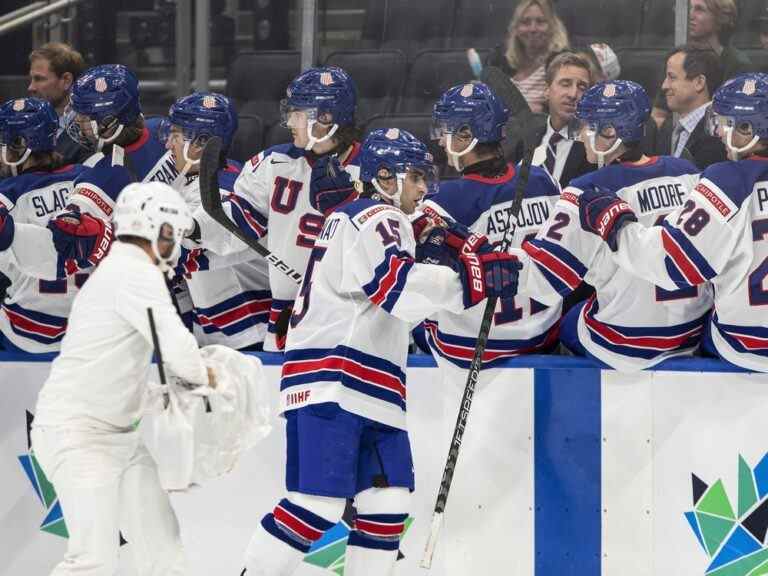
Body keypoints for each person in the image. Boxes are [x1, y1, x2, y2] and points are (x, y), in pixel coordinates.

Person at [240, 128, 521, 576]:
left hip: (369, 383)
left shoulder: (368, 217)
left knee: (388, 503)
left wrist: (465, 255)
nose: (424, 188)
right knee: (316, 506)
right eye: (416, 178)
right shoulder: (377, 217)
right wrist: (474, 279)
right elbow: (400, 289)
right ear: (385, 178)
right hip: (334, 377)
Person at [31, 181, 216, 576]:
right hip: (78, 436)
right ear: (155, 228)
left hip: (119, 436)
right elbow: (177, 350)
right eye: (174, 233)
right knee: (93, 560)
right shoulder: (132, 273)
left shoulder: (121, 274)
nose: (176, 246)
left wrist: (161, 396)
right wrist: (207, 376)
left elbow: (110, 373)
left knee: (164, 551)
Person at [514, 80, 713, 371]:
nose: (581, 136)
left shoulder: (585, 190)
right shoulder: (688, 172)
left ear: (610, 132)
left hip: (625, 343)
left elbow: (545, 281)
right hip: (690, 333)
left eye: (587, 126)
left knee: (565, 320)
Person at [577, 73, 768, 372]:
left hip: (749, 345)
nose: (718, 133)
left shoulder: (729, 180)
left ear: (749, 128)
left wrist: (618, 227)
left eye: (726, 123)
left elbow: (674, 264)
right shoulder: (693, 172)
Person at [190, 66, 362, 352]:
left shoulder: (372, 172)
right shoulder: (273, 164)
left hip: (353, 319)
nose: (289, 122)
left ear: (326, 118)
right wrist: (193, 228)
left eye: (297, 113)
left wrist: (352, 207)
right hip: (285, 319)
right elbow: (238, 222)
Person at [161, 91, 271, 349]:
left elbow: (189, 252)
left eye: (175, 136)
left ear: (200, 143)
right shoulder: (192, 180)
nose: (168, 144)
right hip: (216, 333)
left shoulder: (226, 191)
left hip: (251, 331)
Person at [0, 97, 100, 353]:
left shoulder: (7, 195)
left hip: (23, 335)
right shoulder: (91, 180)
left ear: (19, 145)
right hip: (89, 334)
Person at [651, 0, 752, 130]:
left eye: (699, 9)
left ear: (720, 17)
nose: (690, 15)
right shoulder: (677, 58)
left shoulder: (738, 64)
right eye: (690, 8)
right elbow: (659, 114)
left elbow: (737, 122)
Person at [513, 51, 596, 188]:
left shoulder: (597, 147)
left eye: (582, 87)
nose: (573, 94)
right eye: (565, 84)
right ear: (547, 90)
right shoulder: (526, 142)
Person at [485, 0, 569, 114]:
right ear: (516, 28)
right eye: (525, 22)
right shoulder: (500, 61)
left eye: (540, 22)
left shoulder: (563, 64)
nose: (533, 29)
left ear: (553, 26)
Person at [658, 46, 727, 169]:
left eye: (672, 77)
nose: (664, 85)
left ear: (699, 83)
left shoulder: (718, 134)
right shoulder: (668, 128)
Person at [27, 42, 90, 164]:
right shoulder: (28, 126)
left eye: (39, 79)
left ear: (66, 80)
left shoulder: (91, 134)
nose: (31, 87)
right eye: (31, 79)